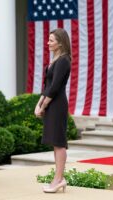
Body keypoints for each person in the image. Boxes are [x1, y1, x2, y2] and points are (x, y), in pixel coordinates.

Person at [34, 28, 71, 193]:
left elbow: (55, 87)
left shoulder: (63, 60)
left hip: (57, 104)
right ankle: (58, 178)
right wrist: (39, 102)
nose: (48, 43)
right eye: (48, 40)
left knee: (59, 142)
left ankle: (59, 179)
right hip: (51, 103)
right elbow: (47, 86)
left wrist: (44, 105)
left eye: (51, 40)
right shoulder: (55, 60)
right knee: (56, 143)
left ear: (60, 43)